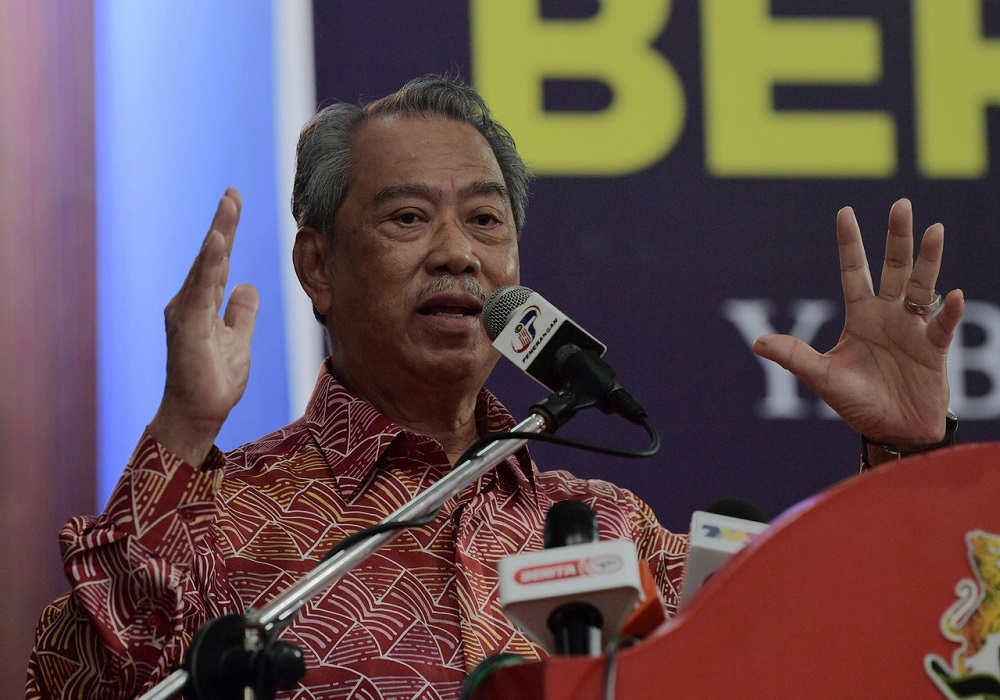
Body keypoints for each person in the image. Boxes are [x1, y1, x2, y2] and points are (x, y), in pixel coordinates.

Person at [26, 75, 964, 699]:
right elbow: (78, 678)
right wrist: (184, 428)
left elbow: (837, 659)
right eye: (407, 217)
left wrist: (907, 462)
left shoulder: (609, 528)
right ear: (318, 267)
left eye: (485, 219)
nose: (458, 254)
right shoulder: (219, 515)